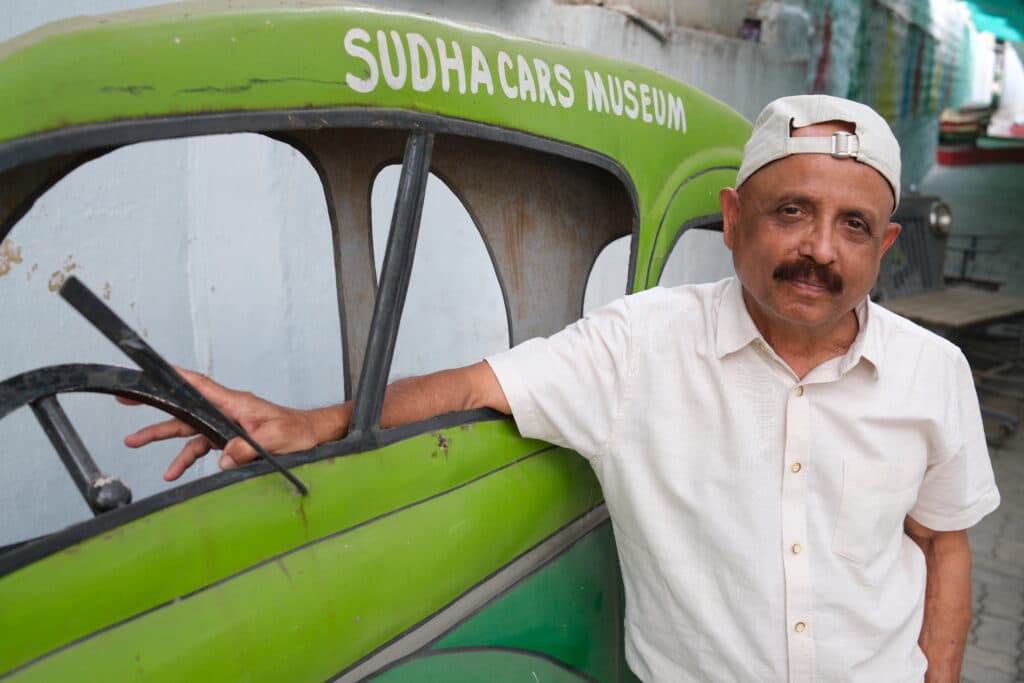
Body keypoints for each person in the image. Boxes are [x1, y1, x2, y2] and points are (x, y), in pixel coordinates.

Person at [123, 95, 1000, 682]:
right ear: (734, 223)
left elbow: (944, 541)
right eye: (791, 212)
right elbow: (473, 384)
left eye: (852, 225)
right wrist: (311, 421)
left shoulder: (932, 373)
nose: (820, 248)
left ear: (883, 249)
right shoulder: (644, 344)